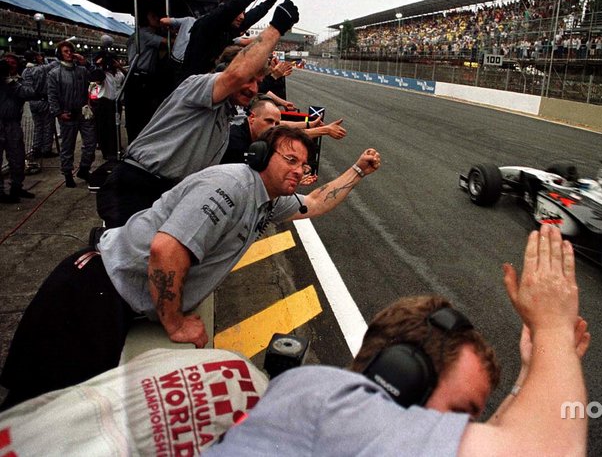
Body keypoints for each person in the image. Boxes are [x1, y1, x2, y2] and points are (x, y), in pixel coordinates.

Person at [0, 125, 382, 409]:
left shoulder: (266, 198)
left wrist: (358, 171)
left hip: (112, 299)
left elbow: (315, 203)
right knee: (34, 415)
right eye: (290, 159)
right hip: (89, 296)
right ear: (263, 156)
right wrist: (175, 322)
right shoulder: (230, 187)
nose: (299, 171)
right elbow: (166, 250)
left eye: (303, 164)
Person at [204, 225, 589, 456]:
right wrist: (553, 326)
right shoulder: (334, 409)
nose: (467, 429)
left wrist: (529, 372)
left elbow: (496, 441)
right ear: (399, 378)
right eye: (458, 413)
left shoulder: (336, 421)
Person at [96, 0, 301, 228]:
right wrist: (275, 29)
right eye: (250, 79)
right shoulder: (198, 84)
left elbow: (266, 118)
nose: (253, 87)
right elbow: (235, 77)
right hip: (137, 187)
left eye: (258, 82)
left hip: (169, 196)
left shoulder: (228, 115)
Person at [180, 0, 281, 81]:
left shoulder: (229, 28)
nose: (242, 17)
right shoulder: (207, 24)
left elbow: (252, 16)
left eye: (243, 12)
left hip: (208, 81)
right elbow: (232, 8)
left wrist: (270, 1)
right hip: (191, 85)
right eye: (238, 12)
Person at [220, 95, 346, 166]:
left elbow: (284, 128)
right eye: (269, 121)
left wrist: (310, 124)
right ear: (252, 118)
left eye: (276, 123)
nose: (273, 127)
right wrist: (324, 130)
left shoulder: (258, 130)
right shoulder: (233, 142)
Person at [47, 40, 95, 187]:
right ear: (59, 55)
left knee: (91, 143)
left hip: (83, 112)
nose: (69, 54)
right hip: (67, 114)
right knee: (68, 146)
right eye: (65, 52)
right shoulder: (55, 73)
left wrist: (85, 62)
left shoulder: (82, 70)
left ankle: (84, 169)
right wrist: (58, 113)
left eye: (70, 51)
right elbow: (52, 95)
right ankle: (67, 173)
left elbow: (96, 76)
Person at [0, 54, 38, 203]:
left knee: (17, 157)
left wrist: (12, 83)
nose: (9, 66)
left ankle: (16, 186)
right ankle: (0, 192)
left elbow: (29, 93)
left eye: (12, 63)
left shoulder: (19, 81)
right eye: (6, 63)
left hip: (13, 123)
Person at [125, 9, 167, 142]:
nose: (157, 18)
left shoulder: (136, 34)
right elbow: (168, 42)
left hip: (137, 77)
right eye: (153, 16)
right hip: (141, 78)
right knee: (142, 116)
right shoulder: (145, 34)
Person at [21, 50, 58, 160]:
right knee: (48, 126)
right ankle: (46, 149)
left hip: (32, 102)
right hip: (43, 100)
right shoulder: (40, 69)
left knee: (38, 126)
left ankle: (36, 148)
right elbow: (55, 63)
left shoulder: (25, 71)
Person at [89, 49, 125, 160]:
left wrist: (119, 67)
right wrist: (99, 64)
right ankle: (107, 152)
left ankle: (115, 148)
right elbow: (96, 77)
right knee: (105, 128)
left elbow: (128, 76)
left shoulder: (118, 73)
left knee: (115, 127)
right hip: (104, 103)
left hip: (116, 102)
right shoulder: (103, 73)